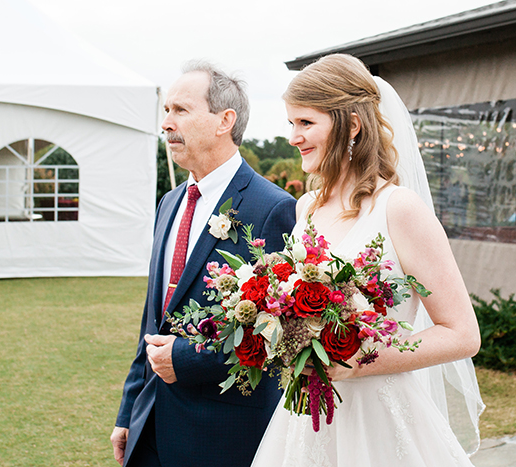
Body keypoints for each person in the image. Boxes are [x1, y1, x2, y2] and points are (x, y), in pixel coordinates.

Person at [251, 54, 485, 466]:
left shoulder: (399, 209)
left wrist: (360, 360)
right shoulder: (307, 207)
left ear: (352, 125)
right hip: (307, 421)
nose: (293, 136)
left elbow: (463, 334)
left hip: (381, 420)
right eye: (291, 123)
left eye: (305, 123)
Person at [111, 61, 296, 467]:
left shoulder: (274, 209)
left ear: (224, 121)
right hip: (149, 427)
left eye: (180, 110)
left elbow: (278, 336)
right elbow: (152, 320)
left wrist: (187, 359)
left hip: (220, 434)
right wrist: (128, 413)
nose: (166, 124)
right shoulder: (169, 203)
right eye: (165, 111)